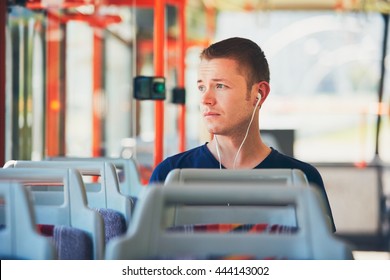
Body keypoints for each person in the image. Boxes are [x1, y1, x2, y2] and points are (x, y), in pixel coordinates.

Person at [149, 37, 336, 232]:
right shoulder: (169, 175)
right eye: (201, 87)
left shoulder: (303, 179)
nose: (205, 99)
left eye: (220, 86)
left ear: (259, 94)